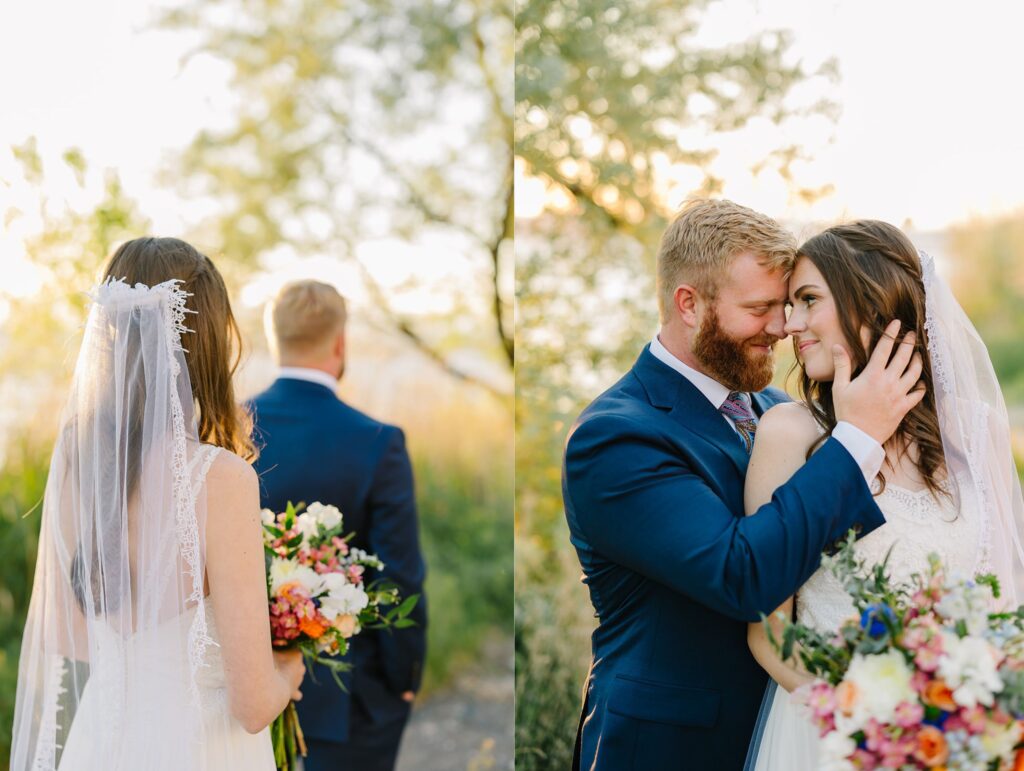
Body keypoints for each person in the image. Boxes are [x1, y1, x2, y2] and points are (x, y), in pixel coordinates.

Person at [562, 199, 927, 770]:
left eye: (786, 306)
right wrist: (858, 438)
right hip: (673, 748)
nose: (782, 327)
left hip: (793, 733)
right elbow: (741, 577)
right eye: (760, 309)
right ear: (689, 304)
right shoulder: (615, 438)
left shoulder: (778, 410)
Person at [10, 237, 305, 770]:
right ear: (208, 342)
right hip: (201, 751)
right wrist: (289, 672)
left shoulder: (80, 465)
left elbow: (65, 636)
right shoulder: (221, 478)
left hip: (101, 744)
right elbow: (254, 705)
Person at [744, 221, 1024, 769]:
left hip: (953, 738)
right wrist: (876, 730)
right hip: (832, 739)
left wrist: (965, 722)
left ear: (868, 305)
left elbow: (1003, 604)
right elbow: (768, 633)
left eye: (807, 301)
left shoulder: (975, 431)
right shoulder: (788, 432)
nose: (788, 324)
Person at [248, 280, 427, 771]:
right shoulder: (376, 442)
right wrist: (404, 675)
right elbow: (400, 573)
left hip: (238, 689)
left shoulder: (225, 428)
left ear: (274, 339)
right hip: (354, 695)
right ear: (340, 342)